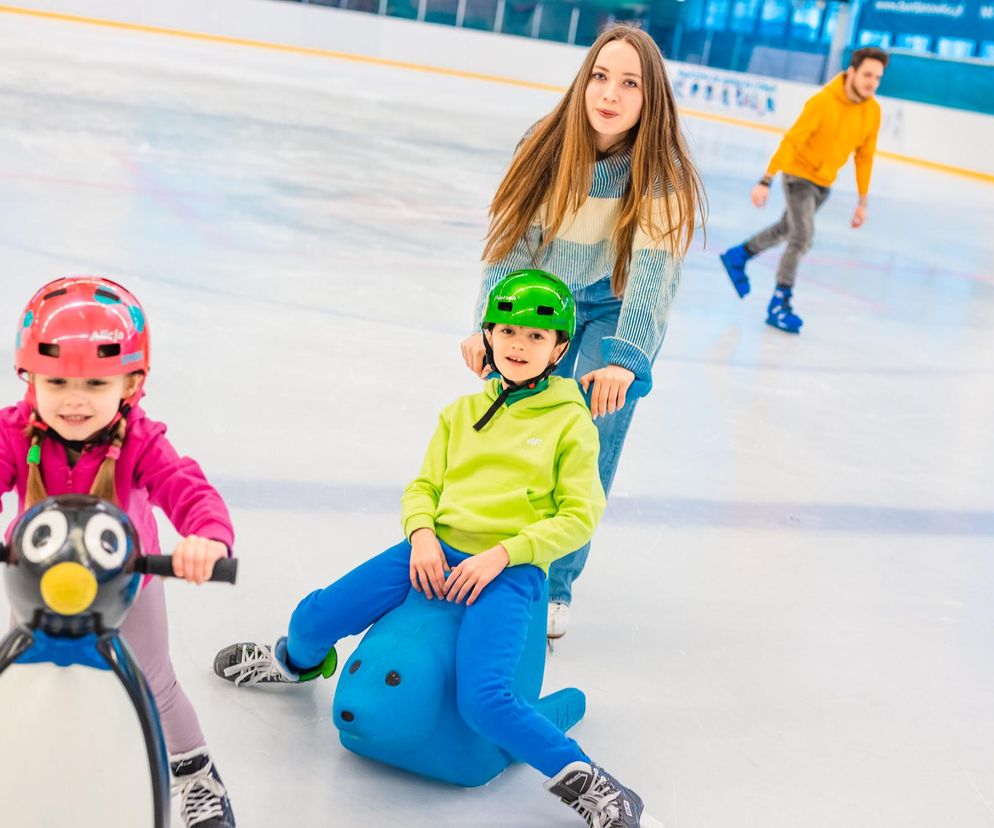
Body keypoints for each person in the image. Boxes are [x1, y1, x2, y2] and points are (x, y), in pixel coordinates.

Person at [214, 271, 659, 827]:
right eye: (510, 331)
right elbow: (424, 487)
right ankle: (294, 665)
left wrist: (505, 555)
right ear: (489, 336)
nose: (520, 345)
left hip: (507, 572)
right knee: (315, 616)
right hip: (430, 549)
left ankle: (593, 786)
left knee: (485, 700)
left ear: (560, 349)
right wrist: (422, 535)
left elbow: (579, 517)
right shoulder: (458, 414)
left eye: (537, 337)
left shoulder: (573, 424)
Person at [461, 23, 705, 640]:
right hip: (548, 295)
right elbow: (511, 245)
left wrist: (625, 359)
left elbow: (653, 279)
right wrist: (491, 326)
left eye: (631, 83)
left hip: (618, 305)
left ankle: (555, 584)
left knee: (591, 437)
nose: (611, 94)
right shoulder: (545, 144)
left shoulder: (662, 175)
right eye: (601, 76)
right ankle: (499, 551)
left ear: (651, 99)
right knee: (520, 419)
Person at [0, 276, 237, 828]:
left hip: (127, 588)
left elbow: (186, 486)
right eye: (56, 381)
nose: (74, 400)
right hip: (35, 585)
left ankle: (193, 772)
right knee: (30, 674)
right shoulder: (14, 433)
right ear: (29, 378)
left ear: (131, 382)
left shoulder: (139, 439)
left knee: (154, 678)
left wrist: (207, 537)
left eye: (95, 383)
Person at [719, 47, 888, 333]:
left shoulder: (873, 111)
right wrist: (766, 179)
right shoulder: (822, 102)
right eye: (868, 75)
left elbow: (865, 157)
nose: (872, 82)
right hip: (798, 177)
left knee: (787, 228)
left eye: (878, 77)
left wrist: (862, 201)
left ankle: (739, 255)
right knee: (802, 237)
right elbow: (793, 141)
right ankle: (780, 303)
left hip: (824, 184)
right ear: (852, 71)